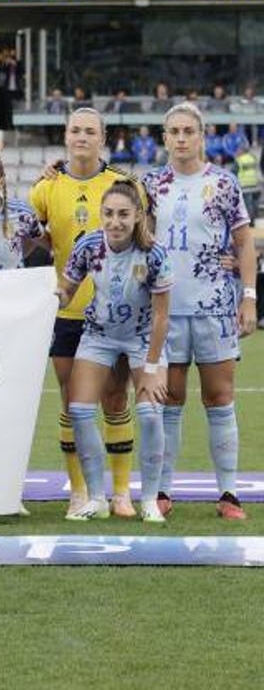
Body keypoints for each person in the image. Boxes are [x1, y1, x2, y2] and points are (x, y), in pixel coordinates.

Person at [142, 103, 258, 520]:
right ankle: (162, 491)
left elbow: (244, 243)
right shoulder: (151, 184)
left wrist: (249, 296)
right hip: (166, 310)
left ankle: (228, 493)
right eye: (173, 131)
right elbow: (140, 237)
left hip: (215, 306)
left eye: (188, 130)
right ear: (165, 136)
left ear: (202, 135)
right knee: (168, 399)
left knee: (219, 397)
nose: (181, 138)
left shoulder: (224, 184)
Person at [29, 107, 139, 518]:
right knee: (72, 401)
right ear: (65, 135)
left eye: (90, 131)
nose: (81, 137)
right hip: (67, 312)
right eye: (75, 130)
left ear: (102, 137)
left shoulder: (123, 186)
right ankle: (78, 491)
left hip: (116, 315)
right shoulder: (46, 188)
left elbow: (144, 243)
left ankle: (122, 492)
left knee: (115, 397)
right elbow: (29, 243)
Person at [55, 182, 173, 522]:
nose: (115, 221)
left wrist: (151, 367)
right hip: (99, 335)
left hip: (142, 338)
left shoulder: (154, 254)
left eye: (123, 214)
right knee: (78, 411)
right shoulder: (89, 245)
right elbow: (68, 289)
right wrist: (51, 297)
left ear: (137, 216)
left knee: (151, 412)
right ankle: (96, 499)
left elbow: (162, 316)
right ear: (100, 214)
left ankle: (149, 499)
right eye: (109, 213)